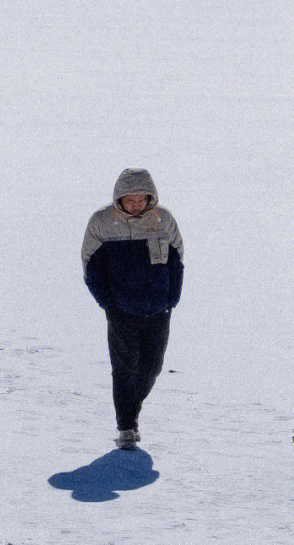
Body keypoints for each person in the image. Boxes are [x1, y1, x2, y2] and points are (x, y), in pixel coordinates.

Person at [81, 167, 184, 449]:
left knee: (152, 366)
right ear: (120, 199)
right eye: (131, 200)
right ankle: (127, 425)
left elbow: (177, 261)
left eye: (142, 199)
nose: (137, 204)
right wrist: (109, 304)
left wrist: (171, 299)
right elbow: (91, 267)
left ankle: (131, 407)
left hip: (158, 309)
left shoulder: (164, 220)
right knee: (124, 368)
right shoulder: (102, 222)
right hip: (121, 311)